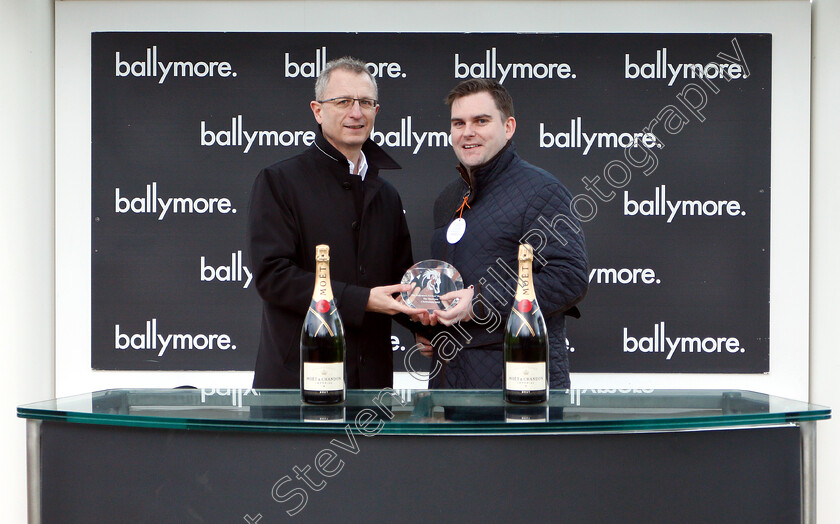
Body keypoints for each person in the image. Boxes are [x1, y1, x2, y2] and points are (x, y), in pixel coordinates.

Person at [248, 56, 417, 389]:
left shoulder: (387, 195)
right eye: (343, 102)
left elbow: (401, 284)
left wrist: (425, 325)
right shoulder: (279, 181)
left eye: (366, 102)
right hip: (296, 381)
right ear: (318, 110)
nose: (356, 112)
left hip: (370, 387)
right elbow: (273, 277)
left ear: (376, 112)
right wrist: (361, 300)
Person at [415, 79, 588, 390]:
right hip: (449, 384)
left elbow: (568, 278)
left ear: (508, 127)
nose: (467, 132)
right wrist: (428, 321)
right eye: (458, 123)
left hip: (518, 384)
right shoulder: (448, 198)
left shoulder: (542, 191)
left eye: (481, 121)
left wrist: (480, 301)